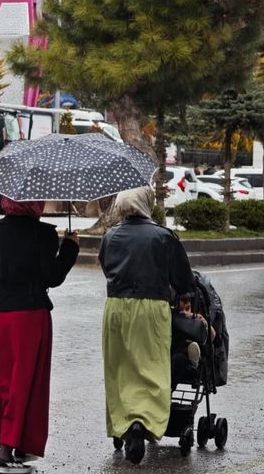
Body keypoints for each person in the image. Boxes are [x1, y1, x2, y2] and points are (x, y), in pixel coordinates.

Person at [0, 197, 80, 474]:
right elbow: (52, 276)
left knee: (1, 381)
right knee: (26, 383)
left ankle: (11, 447)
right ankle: (10, 451)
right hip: (31, 317)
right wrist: (69, 248)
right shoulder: (43, 233)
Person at [98, 186, 194, 465]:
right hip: (152, 309)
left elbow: (106, 266)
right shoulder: (164, 237)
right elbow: (184, 280)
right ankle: (145, 422)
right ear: (146, 205)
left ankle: (125, 422)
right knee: (151, 367)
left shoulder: (110, 235)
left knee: (120, 368)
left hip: (116, 308)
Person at [170, 292, 211, 386]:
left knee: (182, 358)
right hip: (175, 355)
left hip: (189, 359)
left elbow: (212, 336)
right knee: (176, 359)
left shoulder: (196, 319)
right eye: (181, 309)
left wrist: (204, 323)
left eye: (187, 308)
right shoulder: (172, 320)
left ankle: (194, 363)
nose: (185, 312)